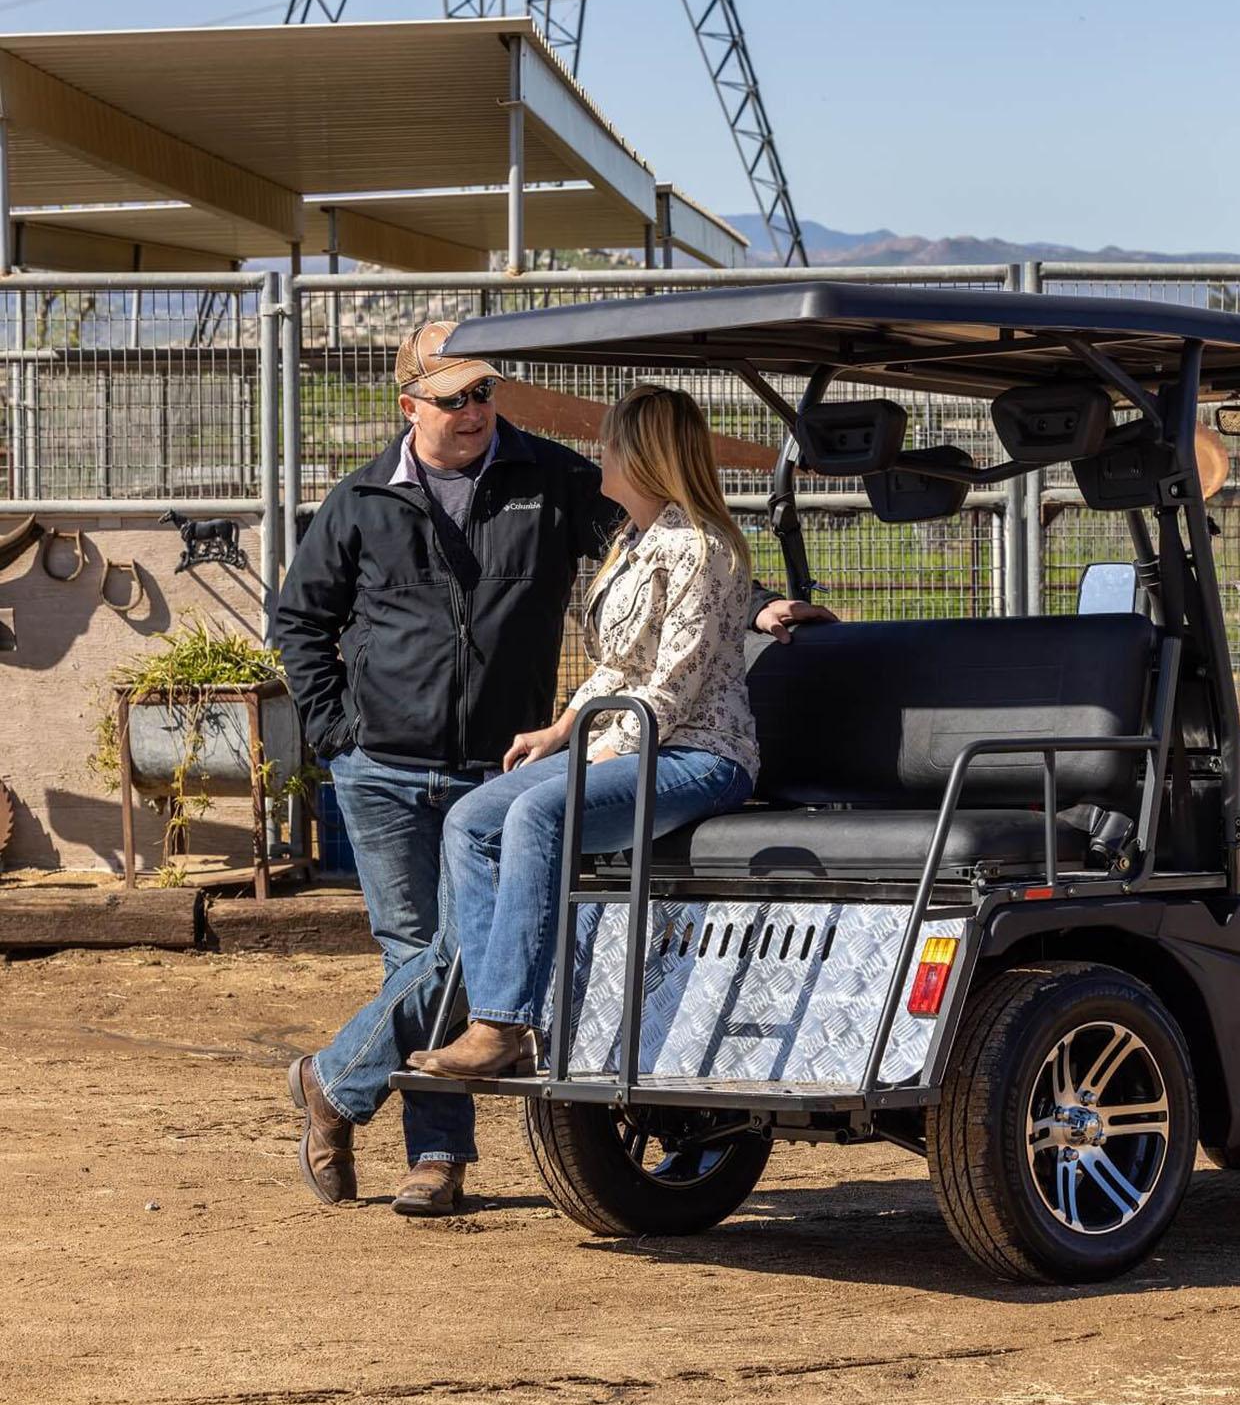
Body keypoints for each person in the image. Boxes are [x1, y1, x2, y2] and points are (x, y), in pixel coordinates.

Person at [276, 321, 828, 1217]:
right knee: (413, 954)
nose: (477, 411)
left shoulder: (551, 477)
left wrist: (758, 609)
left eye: (486, 393)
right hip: (380, 770)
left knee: (453, 955)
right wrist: (341, 731)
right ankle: (427, 1143)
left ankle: (358, 1100)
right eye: (456, 398)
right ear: (410, 405)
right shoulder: (360, 499)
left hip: (495, 757)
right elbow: (300, 623)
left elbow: (678, 564)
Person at [411, 385, 756, 1078]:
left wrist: (597, 749)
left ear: (646, 455)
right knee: (472, 818)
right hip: (632, 742)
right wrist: (562, 727)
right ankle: (499, 1014)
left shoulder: (698, 548)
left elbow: (671, 688)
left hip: (697, 753)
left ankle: (504, 1024)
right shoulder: (634, 540)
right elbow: (617, 665)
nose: (601, 455)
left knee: (540, 814)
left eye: (612, 443)